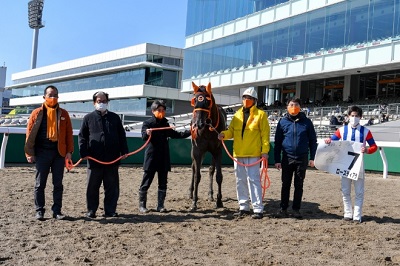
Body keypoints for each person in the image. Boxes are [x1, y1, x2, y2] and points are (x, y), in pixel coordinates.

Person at [218, 87, 270, 219]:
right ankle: (244, 207)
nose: (246, 100)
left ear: (255, 100)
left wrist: (264, 151)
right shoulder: (237, 115)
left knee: (254, 180)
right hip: (238, 153)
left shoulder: (261, 115)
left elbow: (265, 135)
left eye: (249, 98)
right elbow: (231, 132)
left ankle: (258, 209)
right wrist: (223, 134)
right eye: (245, 97)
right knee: (240, 180)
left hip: (253, 154)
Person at [25, 85, 74, 221]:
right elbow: (29, 133)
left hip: (59, 153)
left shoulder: (64, 114)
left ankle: (57, 211)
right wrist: (29, 153)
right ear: (44, 97)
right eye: (50, 95)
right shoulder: (36, 113)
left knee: (58, 184)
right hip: (41, 153)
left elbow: (69, 134)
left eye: (55, 95)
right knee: (40, 183)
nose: (53, 98)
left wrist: (69, 152)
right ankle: (39, 210)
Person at [78, 91, 129, 218]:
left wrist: (124, 151)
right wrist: (83, 152)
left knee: (112, 187)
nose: (102, 103)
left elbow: (122, 136)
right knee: (92, 187)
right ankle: (91, 210)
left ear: (108, 102)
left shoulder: (115, 118)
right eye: (99, 101)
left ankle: (110, 210)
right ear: (94, 103)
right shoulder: (88, 118)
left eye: (104, 101)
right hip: (94, 159)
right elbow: (82, 137)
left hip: (112, 158)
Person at [324, 106, 377, 223]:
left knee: (359, 191)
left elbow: (374, 146)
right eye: (352, 116)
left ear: (361, 117)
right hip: (344, 164)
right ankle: (348, 214)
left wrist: (367, 150)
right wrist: (328, 140)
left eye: (356, 116)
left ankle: (357, 216)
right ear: (348, 117)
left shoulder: (366, 131)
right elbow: (332, 140)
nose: (354, 118)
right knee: (345, 191)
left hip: (358, 165)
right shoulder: (342, 130)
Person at [139, 100, 191, 213]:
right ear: (153, 111)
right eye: (159, 110)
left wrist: (190, 132)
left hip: (163, 158)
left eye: (163, 110)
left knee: (163, 183)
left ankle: (160, 205)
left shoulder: (166, 124)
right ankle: (142, 205)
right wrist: (146, 133)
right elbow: (143, 136)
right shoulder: (147, 123)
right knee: (146, 182)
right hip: (151, 158)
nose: (161, 112)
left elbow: (176, 134)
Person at [274, 98, 317, 219]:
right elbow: (277, 143)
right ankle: (283, 208)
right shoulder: (282, 122)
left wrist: (312, 157)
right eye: (291, 105)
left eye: (296, 104)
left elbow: (313, 141)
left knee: (299, 184)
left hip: (302, 158)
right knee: (285, 184)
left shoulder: (307, 122)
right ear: (287, 107)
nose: (294, 107)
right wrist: (277, 159)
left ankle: (296, 209)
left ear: (300, 106)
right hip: (287, 158)